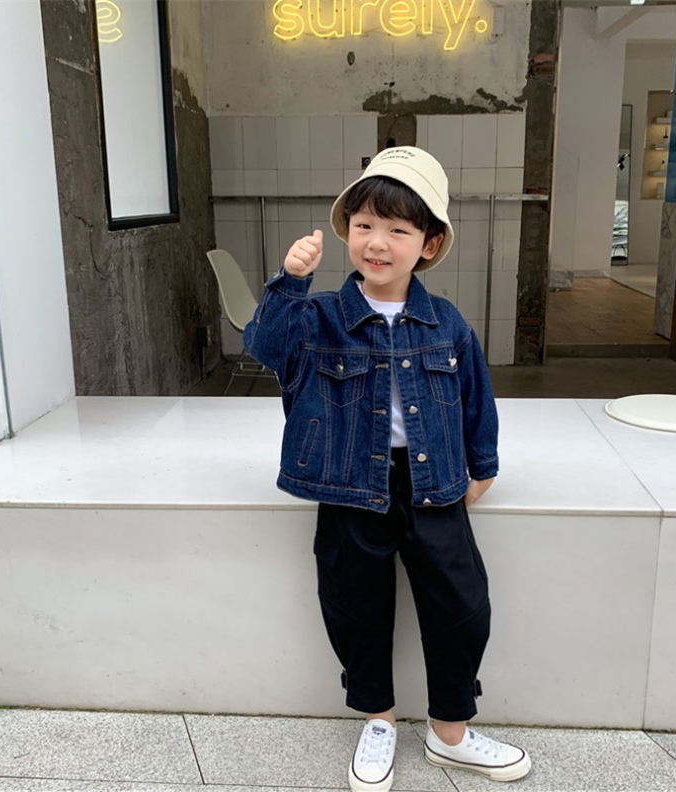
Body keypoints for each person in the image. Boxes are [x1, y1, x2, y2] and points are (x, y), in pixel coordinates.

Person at [244, 146, 531, 791]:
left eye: (398, 230)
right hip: (349, 485)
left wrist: (482, 466)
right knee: (356, 606)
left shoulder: (445, 321)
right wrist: (290, 281)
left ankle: (450, 733)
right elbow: (263, 344)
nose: (377, 242)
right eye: (365, 225)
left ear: (429, 244)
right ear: (348, 231)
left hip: (433, 485)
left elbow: (476, 396)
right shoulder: (319, 317)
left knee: (461, 606)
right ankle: (378, 721)